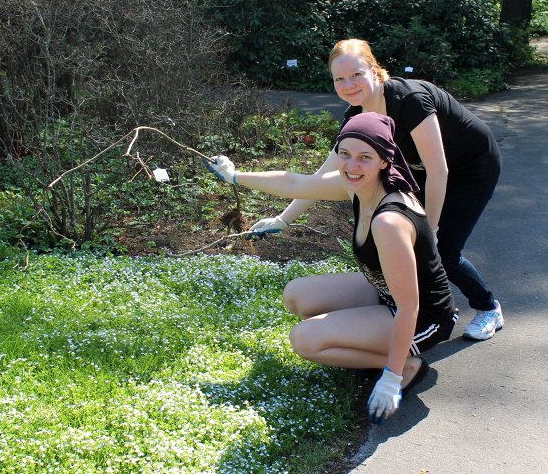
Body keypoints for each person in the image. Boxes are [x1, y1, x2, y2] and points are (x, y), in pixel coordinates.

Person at [204, 112, 458, 423]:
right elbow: (295, 182)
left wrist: (390, 378)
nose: (352, 166)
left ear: (384, 160)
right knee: (296, 296)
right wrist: (235, 176)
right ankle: (364, 339)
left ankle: (406, 366)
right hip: (383, 291)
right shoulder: (357, 186)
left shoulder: (389, 221)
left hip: (423, 317)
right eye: (345, 154)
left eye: (365, 157)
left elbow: (410, 306)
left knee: (305, 339)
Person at [251, 39, 503, 341]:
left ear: (374, 70)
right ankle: (425, 305)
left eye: (356, 74)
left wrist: (430, 229)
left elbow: (440, 170)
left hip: (470, 166)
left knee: (443, 251)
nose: (349, 84)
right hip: (419, 169)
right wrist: (283, 219)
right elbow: (320, 178)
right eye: (339, 79)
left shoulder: (410, 101)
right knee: (399, 240)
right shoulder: (356, 118)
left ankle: (487, 307)